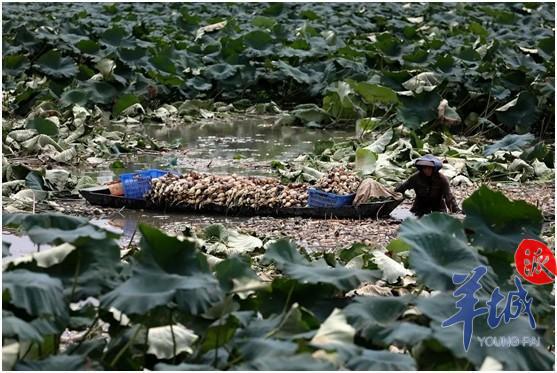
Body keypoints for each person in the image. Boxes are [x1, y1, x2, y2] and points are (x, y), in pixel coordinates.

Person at [395, 154, 460, 217]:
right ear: (421, 168)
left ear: (434, 169)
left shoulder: (442, 179)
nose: (427, 170)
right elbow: (402, 187)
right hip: (419, 207)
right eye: (425, 168)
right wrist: (393, 195)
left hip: (438, 207)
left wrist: (456, 211)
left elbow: (449, 196)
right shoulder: (415, 178)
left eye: (429, 168)